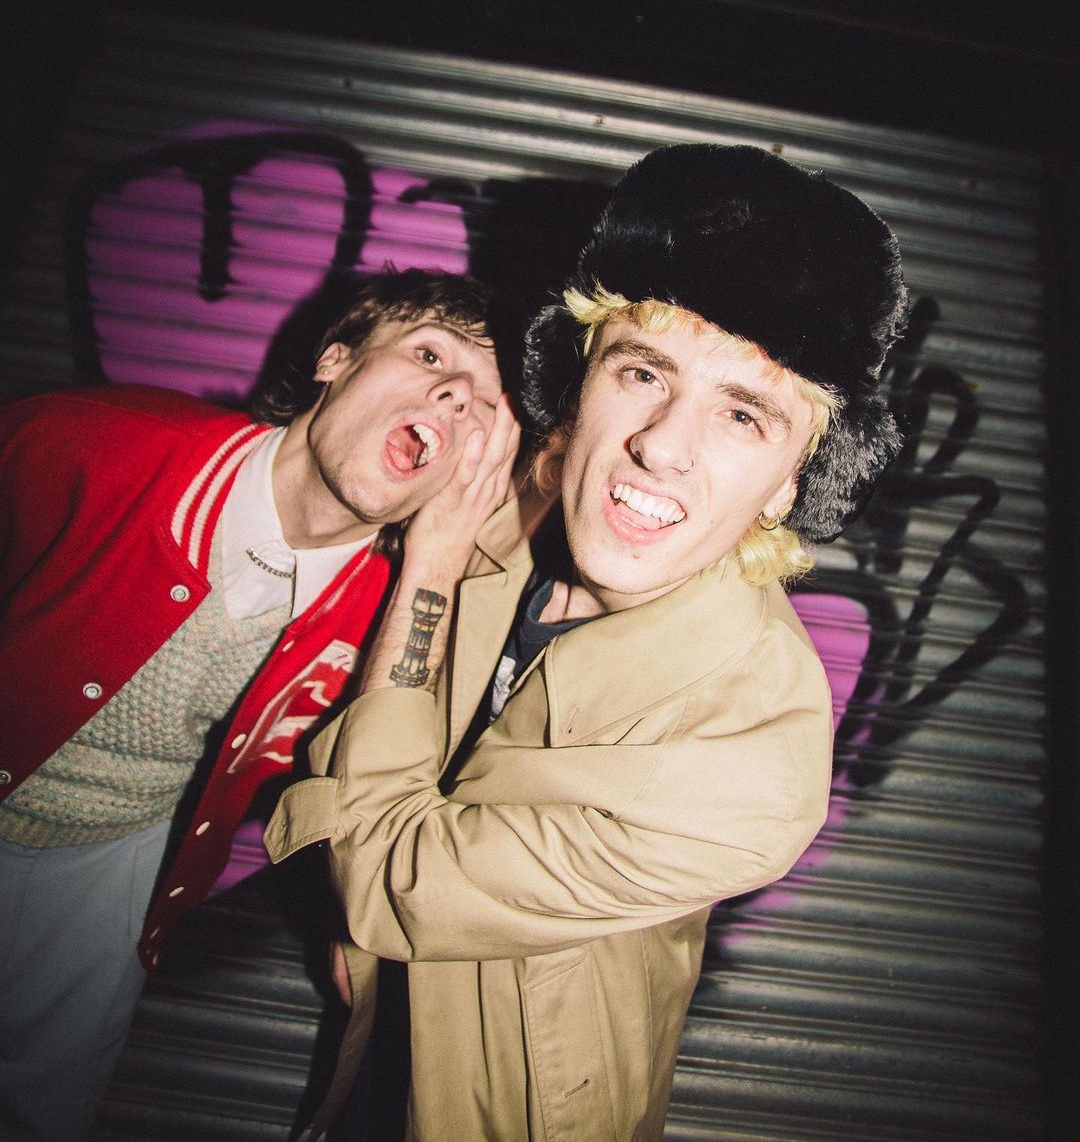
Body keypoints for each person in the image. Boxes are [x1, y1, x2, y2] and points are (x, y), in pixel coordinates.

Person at [266, 144, 909, 1141]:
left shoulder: (752, 755)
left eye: (744, 415)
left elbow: (381, 875)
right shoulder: (517, 515)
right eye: (642, 371)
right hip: (373, 1059)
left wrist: (429, 568)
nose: (661, 443)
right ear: (579, 385)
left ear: (790, 482)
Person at [0, 268, 507, 1142]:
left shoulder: (394, 617)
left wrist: (435, 562)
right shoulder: (91, 444)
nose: (458, 396)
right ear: (335, 359)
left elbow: (378, 796)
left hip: (115, 871)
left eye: (486, 408)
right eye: (431, 356)